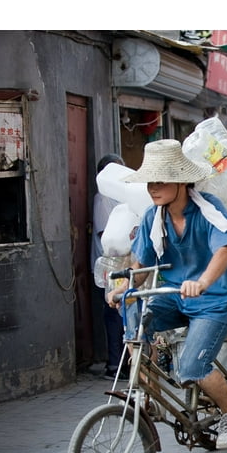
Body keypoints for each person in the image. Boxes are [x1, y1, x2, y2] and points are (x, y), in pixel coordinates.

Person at [106, 139, 227, 449]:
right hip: (174, 297)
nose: (153, 188)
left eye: (161, 181)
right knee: (132, 303)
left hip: (214, 300)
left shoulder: (207, 209)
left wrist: (203, 282)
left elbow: (224, 251)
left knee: (192, 367)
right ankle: (147, 383)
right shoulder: (152, 218)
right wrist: (123, 286)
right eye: (150, 182)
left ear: (181, 182)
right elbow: (141, 265)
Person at [92, 153, 128, 380]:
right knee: (114, 315)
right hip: (109, 267)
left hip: (125, 265)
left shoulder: (119, 197)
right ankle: (114, 366)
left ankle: (124, 363)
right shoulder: (103, 199)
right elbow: (110, 237)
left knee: (124, 314)